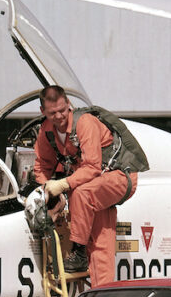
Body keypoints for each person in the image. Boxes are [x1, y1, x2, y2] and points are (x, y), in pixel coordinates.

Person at [33, 85, 137, 286]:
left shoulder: (85, 123)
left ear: (69, 104)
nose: (59, 116)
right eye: (52, 113)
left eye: (63, 110)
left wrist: (62, 184)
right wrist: (46, 191)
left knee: (80, 193)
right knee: (101, 243)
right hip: (95, 187)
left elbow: (91, 167)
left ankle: (78, 251)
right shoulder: (46, 132)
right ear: (43, 112)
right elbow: (42, 166)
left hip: (118, 177)